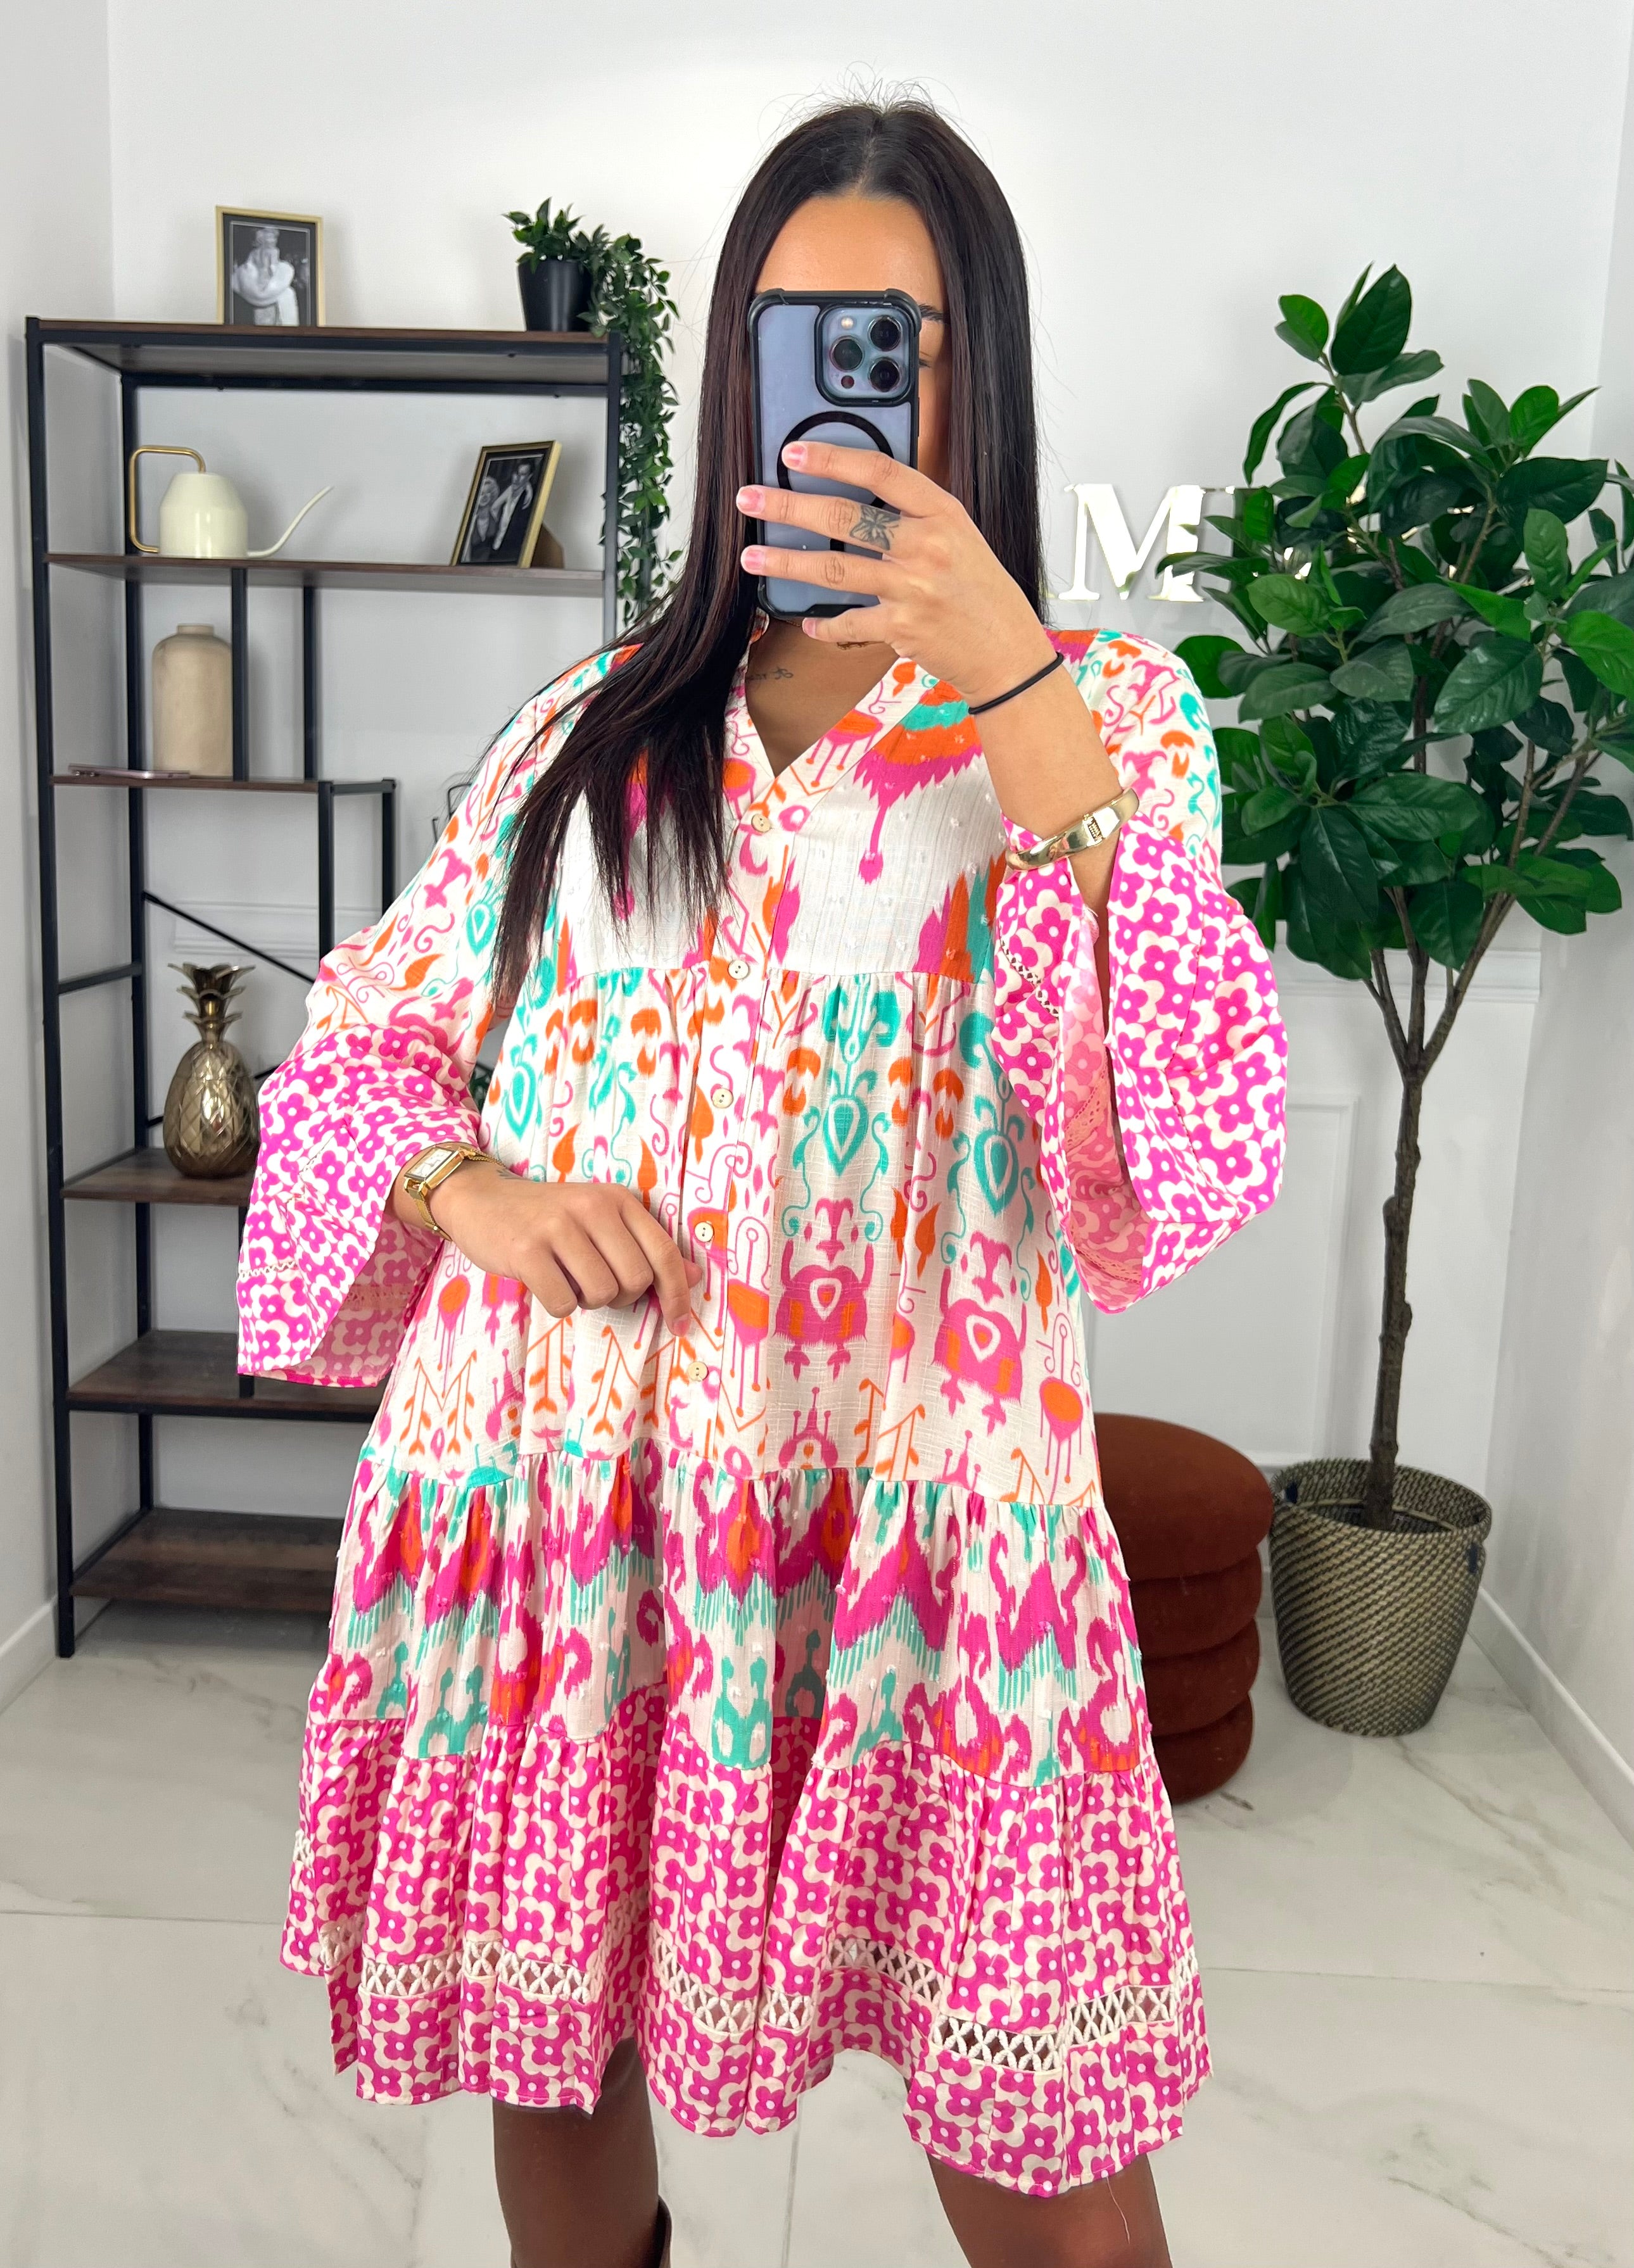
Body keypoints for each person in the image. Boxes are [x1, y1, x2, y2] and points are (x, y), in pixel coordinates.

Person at [238, 98, 1286, 2268]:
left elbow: (1191, 1129)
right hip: (571, 1503)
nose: (842, 393)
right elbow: (362, 1035)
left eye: (898, 343)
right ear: (740, 373)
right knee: (561, 2063)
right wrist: (465, 1188)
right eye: (797, 338)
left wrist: (1015, 686)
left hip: (925, 1527)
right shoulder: (591, 728)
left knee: (1046, 2126)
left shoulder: (1112, 720)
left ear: (975, 373)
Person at [231, 224, 299, 325]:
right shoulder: (239, 278)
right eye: (266, 232)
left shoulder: (285, 273)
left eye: (273, 234)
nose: (271, 236)